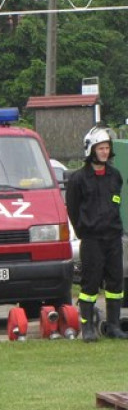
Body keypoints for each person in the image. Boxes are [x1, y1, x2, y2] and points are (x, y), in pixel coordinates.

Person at [66, 125, 128, 342]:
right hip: (92, 239)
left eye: (107, 148)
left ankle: (113, 326)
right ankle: (88, 328)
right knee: (90, 284)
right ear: (91, 149)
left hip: (113, 238)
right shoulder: (79, 179)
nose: (104, 152)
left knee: (115, 283)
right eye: (100, 148)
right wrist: (84, 230)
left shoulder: (115, 176)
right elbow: (73, 209)